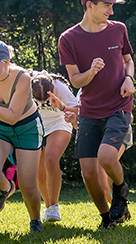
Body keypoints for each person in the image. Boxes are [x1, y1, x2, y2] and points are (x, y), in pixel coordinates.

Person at [58, 0, 134, 229]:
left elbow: (128, 61)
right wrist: (91, 72)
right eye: (107, 6)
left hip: (119, 105)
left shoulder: (118, 30)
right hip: (89, 109)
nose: (111, 12)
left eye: (112, 6)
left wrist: (129, 78)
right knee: (88, 172)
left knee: (107, 155)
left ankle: (121, 190)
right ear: (89, 5)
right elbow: (75, 80)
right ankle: (107, 218)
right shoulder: (68, 39)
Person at [0, 39, 45, 232]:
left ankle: (35, 220)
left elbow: (13, 116)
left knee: (28, 184)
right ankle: (6, 188)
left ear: (6, 62)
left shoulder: (22, 78)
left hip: (26, 127)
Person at [29, 71, 79, 222]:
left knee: (51, 159)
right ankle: (48, 206)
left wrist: (63, 107)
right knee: (38, 171)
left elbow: (77, 109)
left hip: (59, 123)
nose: (43, 103)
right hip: (36, 126)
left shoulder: (60, 87)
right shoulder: (25, 84)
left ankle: (55, 207)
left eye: (46, 100)